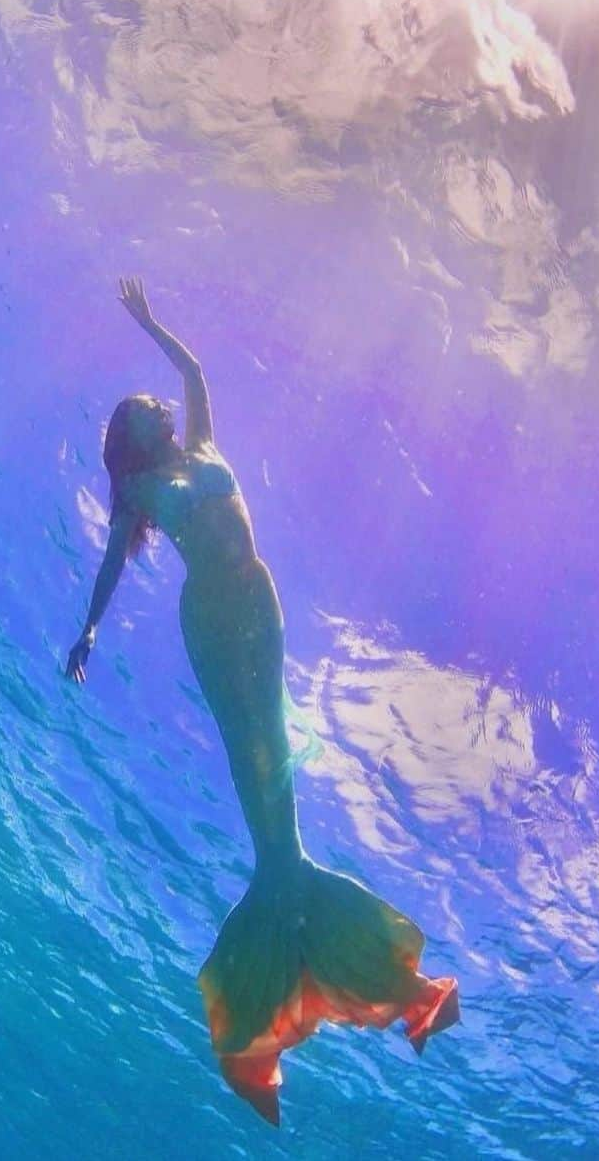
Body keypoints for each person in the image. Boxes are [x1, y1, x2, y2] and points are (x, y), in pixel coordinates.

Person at [66, 278, 458, 1126]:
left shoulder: (203, 444)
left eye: (149, 406)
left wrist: (149, 324)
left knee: (273, 756)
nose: (152, 410)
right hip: (209, 613)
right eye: (137, 412)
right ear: (127, 441)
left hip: (259, 599)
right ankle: (284, 961)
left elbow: (196, 371)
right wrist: (90, 633)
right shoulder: (140, 493)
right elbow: (111, 564)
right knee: (252, 757)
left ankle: (319, 935)